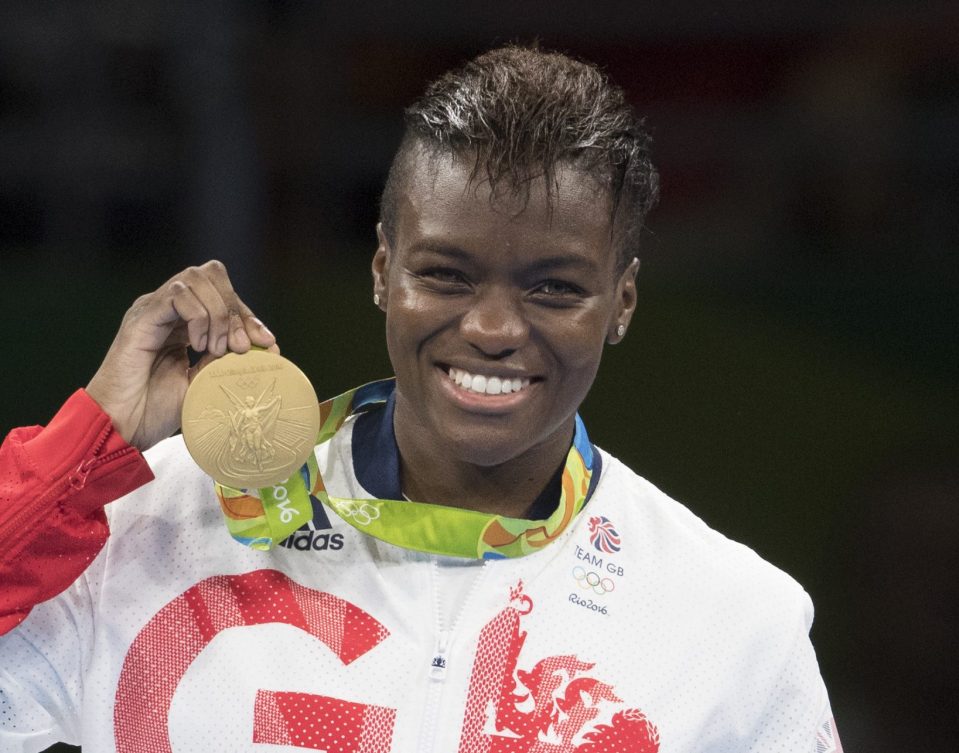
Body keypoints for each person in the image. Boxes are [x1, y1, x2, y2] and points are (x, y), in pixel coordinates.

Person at [0, 46, 841, 752]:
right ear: (381, 272)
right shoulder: (151, 522)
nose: (492, 327)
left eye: (553, 288)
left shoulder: (728, 623)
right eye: (445, 274)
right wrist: (84, 449)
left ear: (620, 303)